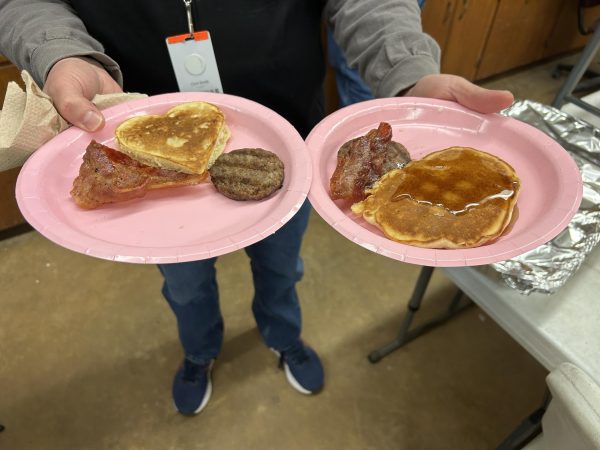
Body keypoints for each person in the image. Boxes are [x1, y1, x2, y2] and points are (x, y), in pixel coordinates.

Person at [0, 0, 514, 416]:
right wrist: (61, 53)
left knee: (282, 267)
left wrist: (407, 70)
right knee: (185, 285)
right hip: (150, 157)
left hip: (291, 142)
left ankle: (283, 336)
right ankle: (199, 354)